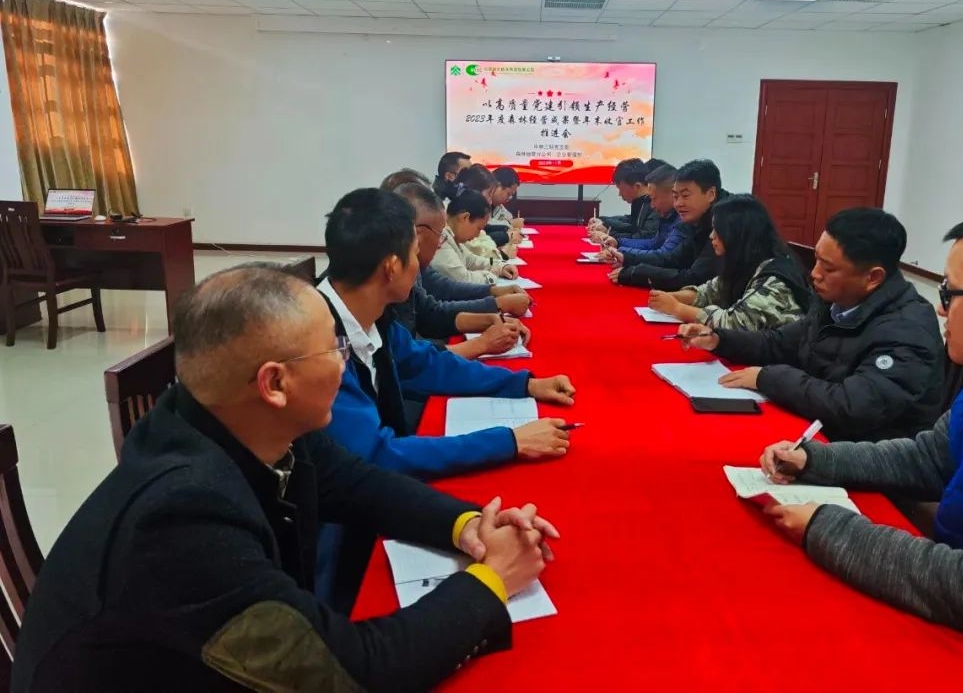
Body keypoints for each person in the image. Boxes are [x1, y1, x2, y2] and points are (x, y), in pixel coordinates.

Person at [12, 264, 558, 693]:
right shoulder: (182, 518)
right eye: (334, 349)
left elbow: (358, 483)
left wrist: (467, 525)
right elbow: (354, 673)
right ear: (274, 383)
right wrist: (492, 579)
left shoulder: (232, 417)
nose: (345, 363)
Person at [757, 201, 963, 685]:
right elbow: (931, 456)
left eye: (950, 291)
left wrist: (829, 528)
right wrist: (816, 459)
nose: (940, 307)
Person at [317, 188, 576, 612]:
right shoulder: (317, 339)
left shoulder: (369, 314)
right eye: (414, 253)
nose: (423, 262)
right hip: (334, 540)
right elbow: (378, 456)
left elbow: (426, 364)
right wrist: (509, 441)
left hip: (370, 500)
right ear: (392, 266)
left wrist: (525, 384)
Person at [680, 207, 944, 442]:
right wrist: (719, 339)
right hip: (815, 431)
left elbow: (851, 407)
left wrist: (767, 378)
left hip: (864, 457)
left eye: (828, 268)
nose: (814, 273)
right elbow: (779, 342)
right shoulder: (836, 301)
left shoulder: (907, 330)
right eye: (816, 259)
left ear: (872, 277)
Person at [390, 181, 530, 361]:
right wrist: (482, 343)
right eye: (439, 235)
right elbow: (405, 361)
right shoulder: (388, 283)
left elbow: (429, 312)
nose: (440, 243)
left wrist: (490, 319)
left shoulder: (410, 267)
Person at [648, 194, 810, 331]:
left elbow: (734, 323)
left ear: (737, 233)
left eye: (717, 230)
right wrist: (671, 297)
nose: (711, 236)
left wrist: (677, 308)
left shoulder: (775, 279)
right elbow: (710, 292)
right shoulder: (746, 262)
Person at [610, 159, 726, 290]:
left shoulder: (726, 221)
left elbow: (693, 278)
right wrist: (627, 258)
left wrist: (636, 273)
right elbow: (673, 258)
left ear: (711, 194)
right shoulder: (697, 219)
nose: (678, 204)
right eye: (676, 196)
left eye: (685, 196)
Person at [431, 189, 519, 286]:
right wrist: (491, 277)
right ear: (465, 217)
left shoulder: (452, 236)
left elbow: (471, 260)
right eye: (478, 228)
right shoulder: (440, 237)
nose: (477, 235)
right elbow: (463, 279)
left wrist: (500, 267)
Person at [592, 164, 680, 254]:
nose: (652, 205)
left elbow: (662, 254)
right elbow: (653, 243)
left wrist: (611, 235)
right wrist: (617, 241)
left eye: (685, 196)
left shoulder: (680, 221)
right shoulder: (664, 214)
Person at [457, 163, 522, 251]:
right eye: (489, 194)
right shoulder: (461, 211)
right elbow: (473, 246)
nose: (490, 200)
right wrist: (507, 234)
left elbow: (483, 234)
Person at [588, 158, 657, 239]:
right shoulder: (639, 201)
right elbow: (628, 223)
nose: (620, 194)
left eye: (621, 189)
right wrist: (603, 221)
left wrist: (608, 233)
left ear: (637, 186)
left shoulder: (655, 205)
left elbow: (644, 237)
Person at [489, 166, 525, 230]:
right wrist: (510, 224)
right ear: (498, 186)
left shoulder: (498, 205)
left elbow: (508, 216)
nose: (509, 198)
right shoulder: (479, 200)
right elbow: (484, 224)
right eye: (508, 194)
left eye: (511, 195)